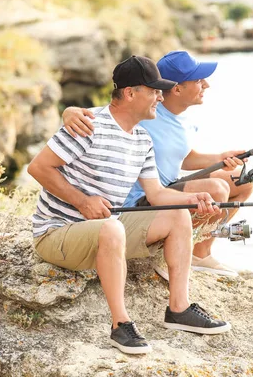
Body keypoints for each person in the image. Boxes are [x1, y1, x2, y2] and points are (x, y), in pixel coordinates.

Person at [28, 55, 231, 356]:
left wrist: (192, 200)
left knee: (175, 215)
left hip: (107, 233)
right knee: (112, 228)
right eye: (154, 90)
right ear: (130, 93)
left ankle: (179, 309)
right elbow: (38, 168)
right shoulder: (88, 124)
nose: (160, 97)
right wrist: (82, 201)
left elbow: (158, 195)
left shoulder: (142, 140)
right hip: (57, 234)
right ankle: (120, 325)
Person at [62, 51, 253, 280]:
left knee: (242, 182)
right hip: (145, 198)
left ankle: (200, 253)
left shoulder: (185, 119)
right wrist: (69, 112)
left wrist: (219, 158)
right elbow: (110, 112)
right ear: (177, 89)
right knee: (217, 190)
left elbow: (182, 157)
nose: (207, 85)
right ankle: (166, 251)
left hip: (168, 185)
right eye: (198, 80)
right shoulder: (147, 111)